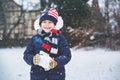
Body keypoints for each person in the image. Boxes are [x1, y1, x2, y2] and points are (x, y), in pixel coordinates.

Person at [23, 8, 71, 80]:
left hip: (56, 75)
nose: (47, 24)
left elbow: (66, 55)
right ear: (40, 24)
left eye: (50, 22)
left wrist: (56, 62)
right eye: (44, 22)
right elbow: (26, 55)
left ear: (55, 24)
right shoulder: (35, 39)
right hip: (37, 75)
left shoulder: (60, 39)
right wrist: (33, 59)